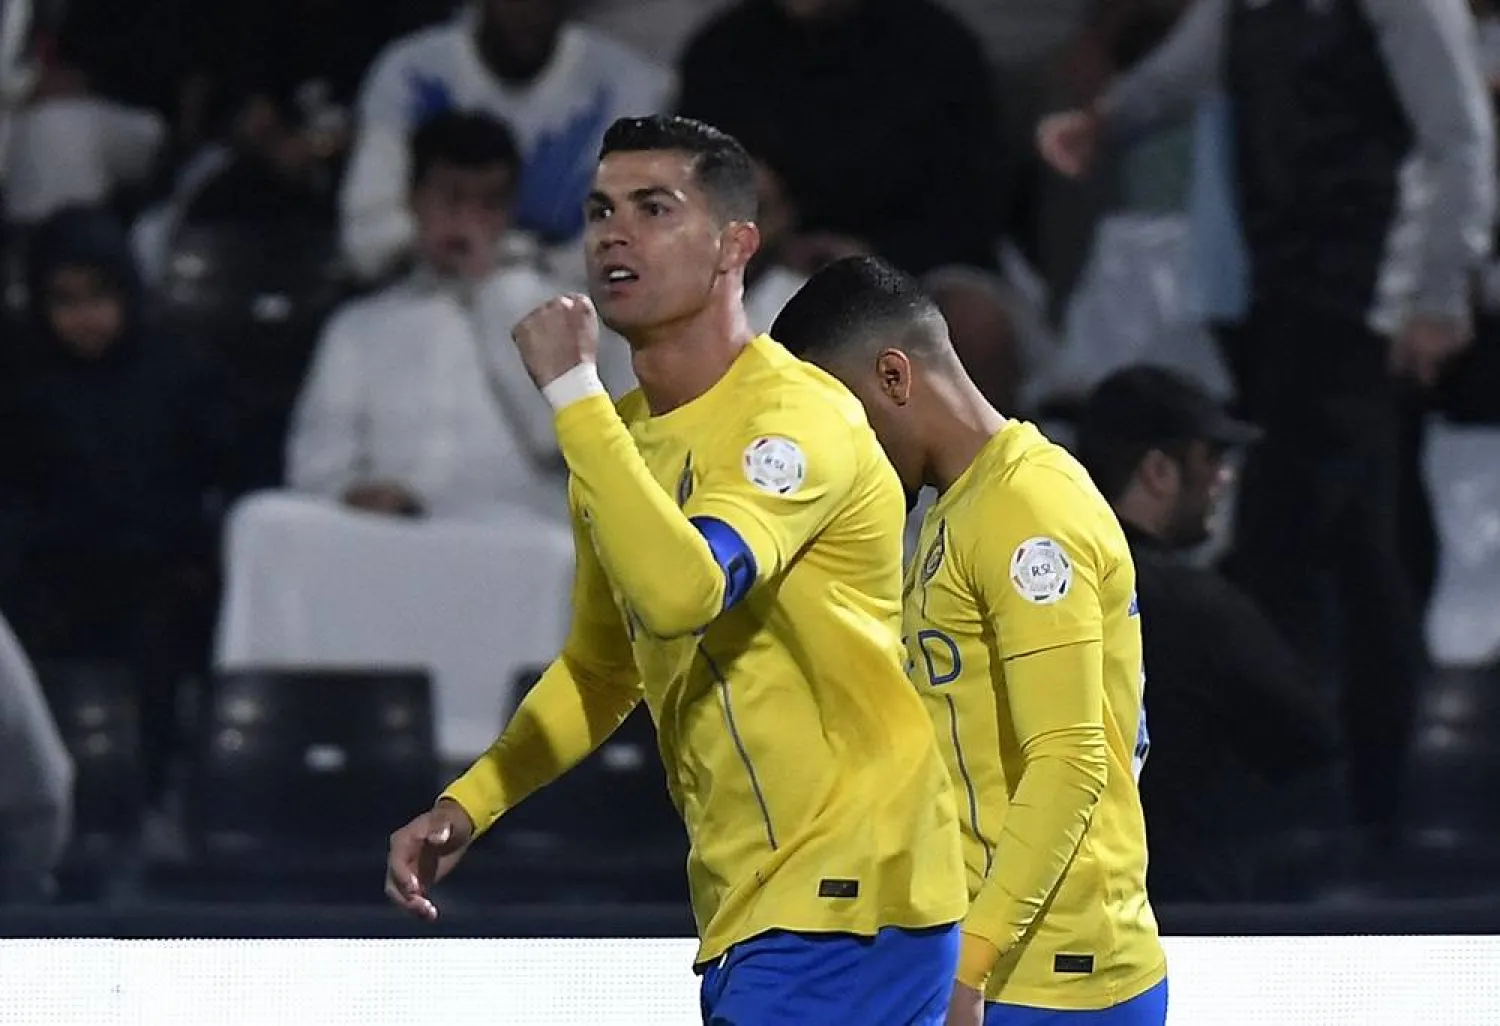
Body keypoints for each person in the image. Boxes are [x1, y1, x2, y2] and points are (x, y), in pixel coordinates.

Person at [384, 116, 968, 1025]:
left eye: (656, 209)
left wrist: (571, 394)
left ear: (737, 244)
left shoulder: (796, 420)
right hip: (764, 907)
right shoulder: (619, 442)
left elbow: (684, 591)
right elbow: (602, 667)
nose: (615, 233)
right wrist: (468, 805)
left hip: (852, 900)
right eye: (600, 210)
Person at [1035, 0, 1494, 863]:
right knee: (1346, 540)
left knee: (1342, 545)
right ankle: (1343, 798)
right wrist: (1110, 119)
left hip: (1367, 302)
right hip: (1284, 290)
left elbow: (1457, 134)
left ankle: (1355, 801)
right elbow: (1188, 66)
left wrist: (1435, 291)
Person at [775, 256, 1167, 1026]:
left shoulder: (1026, 510)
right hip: (998, 962)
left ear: (894, 376)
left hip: (1053, 978)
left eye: (841, 418)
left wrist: (970, 967)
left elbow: (1069, 759)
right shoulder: (956, 508)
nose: (838, 452)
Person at [1075, 365, 1337, 903]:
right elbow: (1308, 739)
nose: (1226, 477)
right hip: (1187, 913)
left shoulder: (1024, 585)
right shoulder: (1200, 609)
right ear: (1157, 471)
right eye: (1211, 458)